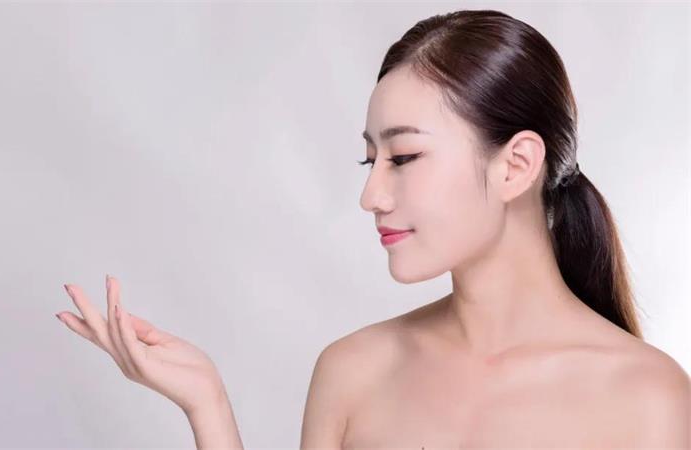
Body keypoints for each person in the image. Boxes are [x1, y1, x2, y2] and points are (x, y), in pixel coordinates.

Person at [54, 9, 690, 449]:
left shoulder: (647, 398)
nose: (371, 195)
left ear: (515, 165)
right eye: (370, 160)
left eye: (404, 157)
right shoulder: (353, 371)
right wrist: (207, 404)